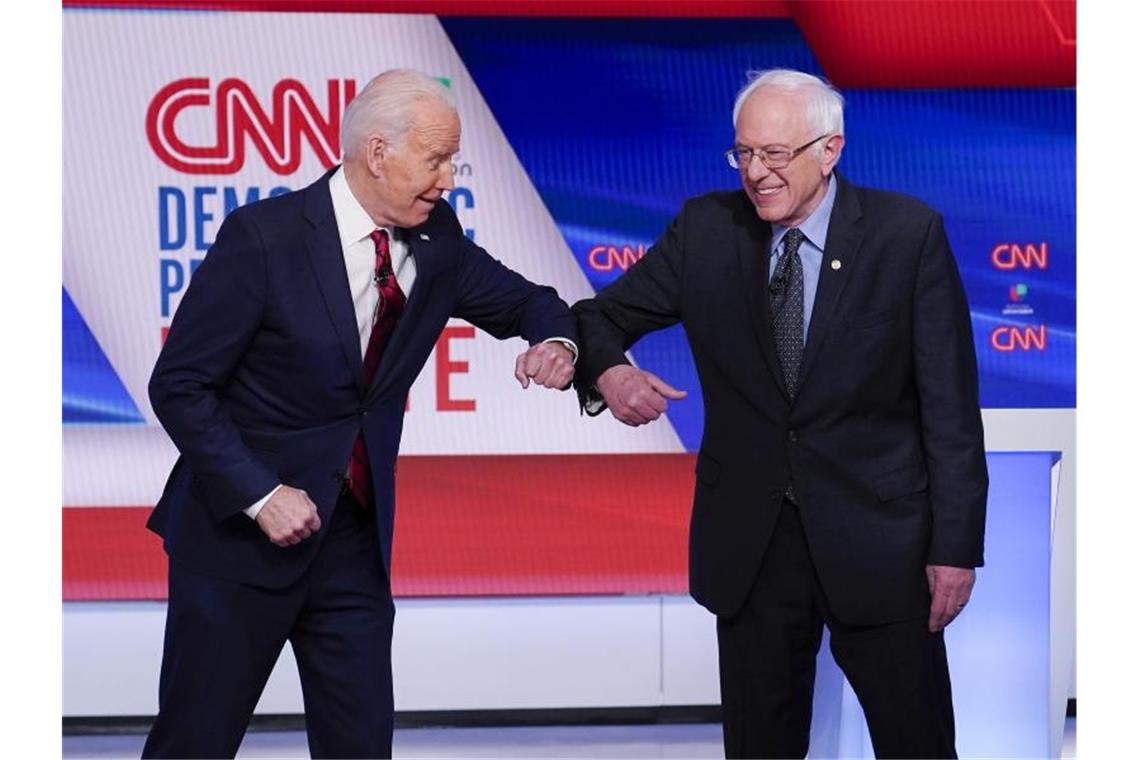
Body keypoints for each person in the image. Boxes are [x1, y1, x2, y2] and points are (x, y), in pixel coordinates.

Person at [143, 69, 577, 759]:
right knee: (196, 743)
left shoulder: (437, 241)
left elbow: (529, 301)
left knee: (362, 746)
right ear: (378, 152)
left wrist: (554, 343)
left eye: (452, 162)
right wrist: (260, 493)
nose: (448, 179)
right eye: (435, 160)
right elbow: (180, 386)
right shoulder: (265, 238)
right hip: (237, 540)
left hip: (350, 544)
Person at [572, 69, 987, 759]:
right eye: (744, 154)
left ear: (830, 150)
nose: (757, 174)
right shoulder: (707, 229)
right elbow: (598, 317)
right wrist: (611, 371)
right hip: (753, 547)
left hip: (881, 542)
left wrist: (955, 548)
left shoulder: (905, 235)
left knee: (916, 742)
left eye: (775, 155)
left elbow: (950, 408)